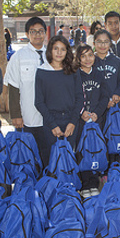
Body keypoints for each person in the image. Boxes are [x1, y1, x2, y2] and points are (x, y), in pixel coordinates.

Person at [4, 17, 50, 167]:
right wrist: (15, 115)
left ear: (45, 33)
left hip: (50, 117)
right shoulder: (19, 57)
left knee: (48, 154)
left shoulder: (52, 54)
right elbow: (13, 86)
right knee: (29, 155)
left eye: (41, 31)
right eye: (33, 32)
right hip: (28, 117)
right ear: (27, 33)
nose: (37, 35)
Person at [34, 35, 83, 164]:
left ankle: (70, 184)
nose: (59, 52)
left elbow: (80, 98)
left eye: (63, 49)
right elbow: (39, 102)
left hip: (71, 120)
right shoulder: (42, 71)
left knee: (69, 159)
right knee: (53, 160)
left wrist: (72, 122)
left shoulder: (73, 70)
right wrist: (53, 125)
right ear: (50, 50)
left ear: (67, 51)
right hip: (51, 122)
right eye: (56, 48)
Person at [75, 44, 109, 197]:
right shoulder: (75, 75)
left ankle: (94, 182)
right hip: (81, 121)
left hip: (96, 121)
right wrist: (81, 112)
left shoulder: (99, 75)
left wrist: (97, 113)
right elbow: (72, 98)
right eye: (83, 56)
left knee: (94, 151)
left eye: (90, 55)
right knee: (82, 151)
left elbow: (104, 97)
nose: (87, 59)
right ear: (78, 59)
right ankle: (84, 184)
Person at [93, 29, 120, 167]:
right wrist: (104, 101)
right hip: (98, 107)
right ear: (94, 43)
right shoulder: (90, 61)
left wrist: (117, 94)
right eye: (99, 42)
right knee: (100, 139)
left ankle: (114, 168)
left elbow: (119, 81)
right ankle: (101, 170)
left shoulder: (116, 60)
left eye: (106, 42)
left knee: (114, 137)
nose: (102, 45)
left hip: (114, 107)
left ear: (110, 43)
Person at [105, 11, 120, 79]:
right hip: (110, 86)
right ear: (105, 25)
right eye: (110, 23)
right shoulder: (102, 46)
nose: (113, 26)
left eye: (116, 23)